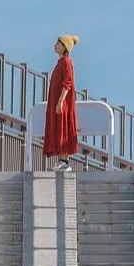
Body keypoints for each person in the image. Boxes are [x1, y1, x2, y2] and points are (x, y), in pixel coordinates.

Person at [44, 35, 79, 171]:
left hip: (63, 104)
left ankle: (64, 160)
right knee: (58, 129)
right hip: (56, 103)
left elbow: (67, 83)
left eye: (58, 43)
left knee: (64, 128)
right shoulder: (60, 63)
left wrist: (60, 101)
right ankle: (61, 160)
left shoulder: (67, 62)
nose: (55, 45)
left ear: (64, 47)